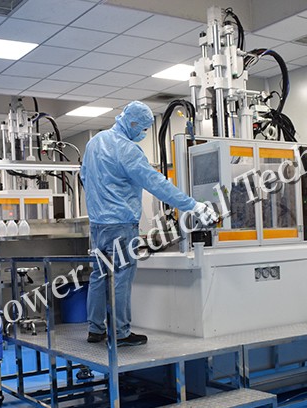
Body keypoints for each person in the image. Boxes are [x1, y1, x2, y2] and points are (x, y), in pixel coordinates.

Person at [80, 101, 219, 346]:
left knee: (99, 275)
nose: (143, 133)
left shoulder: (94, 142)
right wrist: (193, 205)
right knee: (122, 276)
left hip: (97, 224)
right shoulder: (127, 150)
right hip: (122, 223)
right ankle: (121, 332)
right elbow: (156, 184)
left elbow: (83, 177)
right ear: (133, 123)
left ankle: (95, 329)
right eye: (143, 128)